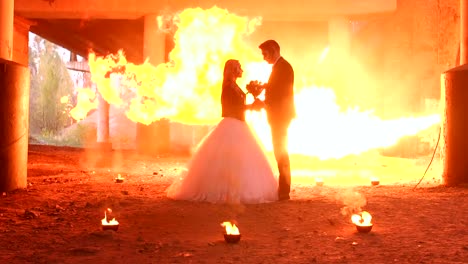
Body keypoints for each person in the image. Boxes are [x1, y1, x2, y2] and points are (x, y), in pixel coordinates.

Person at [166, 59, 278, 204]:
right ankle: (226, 191)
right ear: (232, 70)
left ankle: (233, 190)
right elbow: (230, 109)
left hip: (239, 123)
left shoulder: (234, 86)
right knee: (230, 160)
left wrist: (252, 102)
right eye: (239, 67)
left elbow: (239, 105)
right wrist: (251, 106)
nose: (241, 70)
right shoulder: (228, 87)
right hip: (232, 124)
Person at [254, 40, 296, 201]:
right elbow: (277, 89)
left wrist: (263, 102)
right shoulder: (281, 67)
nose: (264, 58)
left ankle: (284, 192)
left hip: (280, 116)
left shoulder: (283, 67)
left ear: (273, 51)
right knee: (280, 152)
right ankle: (283, 190)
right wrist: (264, 87)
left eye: (265, 54)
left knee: (281, 152)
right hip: (279, 115)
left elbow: (281, 94)